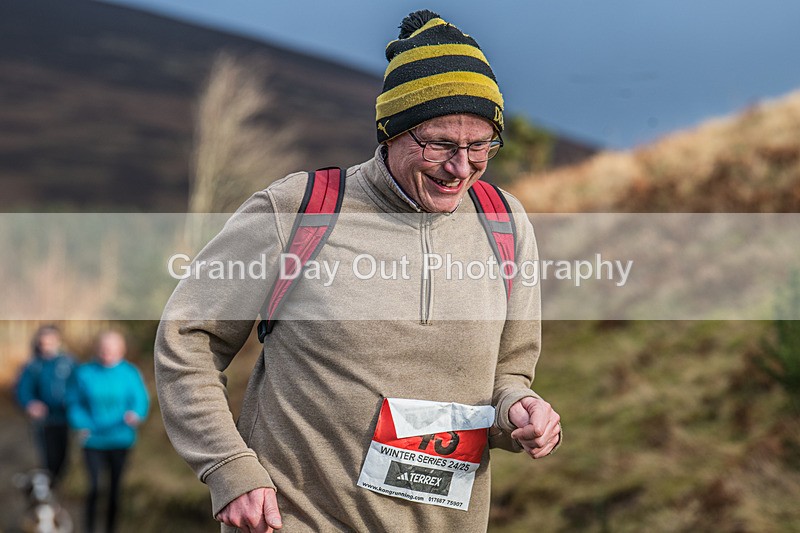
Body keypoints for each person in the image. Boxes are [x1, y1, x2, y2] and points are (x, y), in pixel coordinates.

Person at [156, 9, 561, 532]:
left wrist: (520, 412)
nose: (461, 166)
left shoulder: (504, 223)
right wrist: (229, 468)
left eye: (480, 144)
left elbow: (507, 375)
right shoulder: (299, 211)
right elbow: (189, 335)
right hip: (296, 520)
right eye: (440, 143)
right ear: (391, 132)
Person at [67, 331, 150, 533]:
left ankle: (111, 528)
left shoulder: (130, 373)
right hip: (92, 440)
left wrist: (136, 414)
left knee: (115, 489)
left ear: (122, 351)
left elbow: (141, 400)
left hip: (120, 439)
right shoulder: (84, 373)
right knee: (94, 487)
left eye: (112, 350)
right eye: (103, 350)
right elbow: (73, 402)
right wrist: (81, 423)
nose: (107, 354)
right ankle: (89, 528)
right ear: (97, 349)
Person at [15, 324, 76, 485]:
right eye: (43, 343)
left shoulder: (69, 363)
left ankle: (55, 485)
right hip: (44, 421)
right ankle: (46, 488)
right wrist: (30, 404)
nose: (46, 347)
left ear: (58, 342)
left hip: (65, 418)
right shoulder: (33, 366)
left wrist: (72, 403)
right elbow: (23, 389)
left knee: (63, 458)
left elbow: (77, 386)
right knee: (49, 458)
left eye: (50, 342)